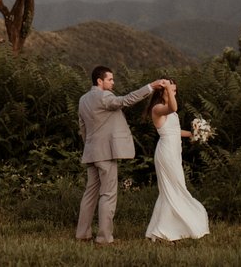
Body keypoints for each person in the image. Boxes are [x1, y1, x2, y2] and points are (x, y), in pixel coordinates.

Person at [76, 66, 168, 245]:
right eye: (110, 79)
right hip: (106, 153)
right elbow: (126, 100)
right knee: (108, 194)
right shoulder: (105, 97)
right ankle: (104, 238)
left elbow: (82, 127)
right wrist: (150, 86)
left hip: (91, 152)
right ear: (99, 81)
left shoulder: (83, 99)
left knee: (90, 194)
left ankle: (82, 234)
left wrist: (90, 145)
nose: (113, 82)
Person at [144, 79, 210, 242]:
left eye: (175, 91)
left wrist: (196, 133)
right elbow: (173, 107)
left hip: (174, 152)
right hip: (166, 153)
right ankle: (163, 231)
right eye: (172, 91)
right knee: (174, 189)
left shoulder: (170, 113)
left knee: (171, 190)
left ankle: (164, 229)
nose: (175, 93)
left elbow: (174, 130)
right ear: (163, 92)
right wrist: (165, 86)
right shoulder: (158, 109)